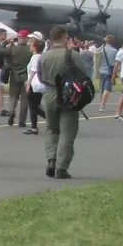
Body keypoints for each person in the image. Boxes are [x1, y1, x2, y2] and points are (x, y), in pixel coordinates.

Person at [38, 26, 86, 179]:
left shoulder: (43, 56)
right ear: (64, 37)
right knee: (67, 132)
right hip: (68, 96)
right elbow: (83, 76)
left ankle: (51, 160)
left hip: (50, 94)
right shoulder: (72, 55)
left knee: (51, 129)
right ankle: (61, 167)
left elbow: (40, 77)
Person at [24, 38, 47, 135]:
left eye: (31, 45)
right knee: (34, 105)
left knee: (34, 107)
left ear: (35, 47)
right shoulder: (41, 56)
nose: (29, 46)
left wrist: (28, 84)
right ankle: (34, 127)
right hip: (38, 83)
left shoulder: (35, 57)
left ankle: (51, 119)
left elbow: (33, 71)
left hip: (34, 84)